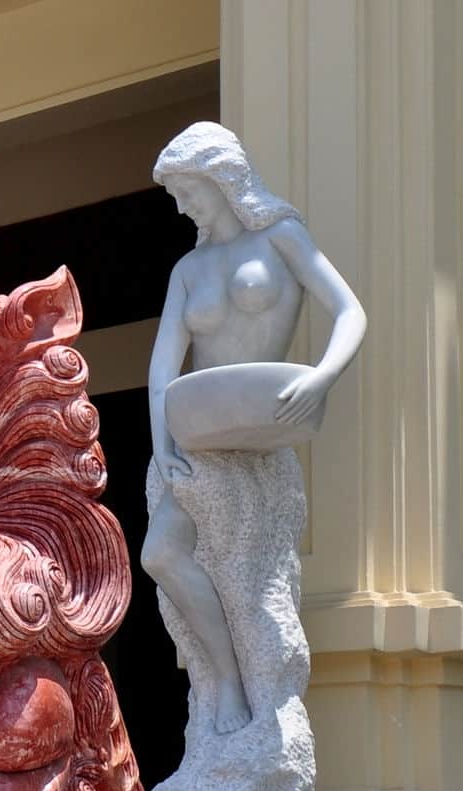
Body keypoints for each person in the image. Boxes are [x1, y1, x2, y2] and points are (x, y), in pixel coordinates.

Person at [144, 120, 366, 732]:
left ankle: (253, 695)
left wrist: (321, 377)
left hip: (260, 434)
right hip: (196, 437)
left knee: (254, 580)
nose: (184, 206)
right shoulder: (188, 268)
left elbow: (349, 311)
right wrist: (162, 449)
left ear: (222, 178)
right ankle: (228, 681)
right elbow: (163, 367)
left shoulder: (283, 238)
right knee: (161, 553)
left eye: (189, 191)